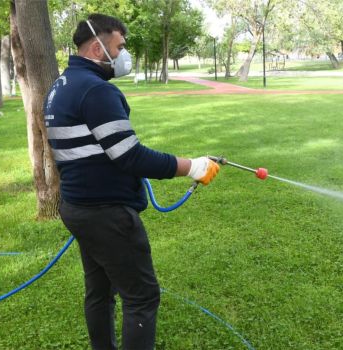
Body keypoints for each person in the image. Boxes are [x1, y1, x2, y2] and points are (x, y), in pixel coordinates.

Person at [43, 14, 220, 350]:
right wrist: (192, 166)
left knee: (100, 292)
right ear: (98, 47)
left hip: (78, 207)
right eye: (120, 47)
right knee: (141, 297)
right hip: (106, 215)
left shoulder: (61, 86)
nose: (125, 55)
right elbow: (130, 157)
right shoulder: (96, 90)